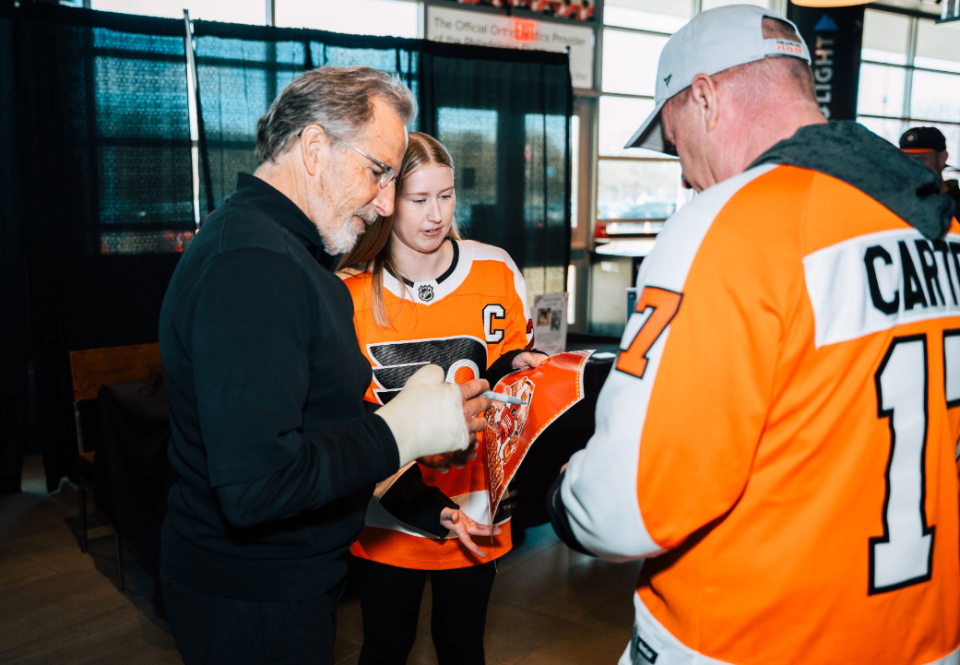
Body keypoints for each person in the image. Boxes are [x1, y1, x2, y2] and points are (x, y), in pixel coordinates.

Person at [547, 6, 960, 665]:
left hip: (748, 637)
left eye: (676, 139)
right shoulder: (932, 224)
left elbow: (629, 505)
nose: (682, 172)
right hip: (924, 633)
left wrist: (567, 494)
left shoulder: (729, 227)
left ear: (705, 94)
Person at [157, 67, 492, 665]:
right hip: (252, 599)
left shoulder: (279, 251)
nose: (386, 203)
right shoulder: (254, 265)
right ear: (314, 149)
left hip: (281, 586)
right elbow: (257, 486)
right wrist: (400, 431)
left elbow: (321, 428)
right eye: (378, 172)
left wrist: (414, 488)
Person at [337, 131, 546, 665]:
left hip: (475, 507)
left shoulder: (495, 269)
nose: (436, 214)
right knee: (385, 647)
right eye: (419, 198)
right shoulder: (351, 291)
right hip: (389, 512)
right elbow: (351, 421)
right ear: (386, 199)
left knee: (462, 646)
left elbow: (503, 384)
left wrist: (516, 369)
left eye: (447, 195)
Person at [901, 126, 960, 210]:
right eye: (906, 159)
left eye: (920, 160)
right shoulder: (896, 204)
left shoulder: (956, 206)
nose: (912, 166)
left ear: (941, 158)